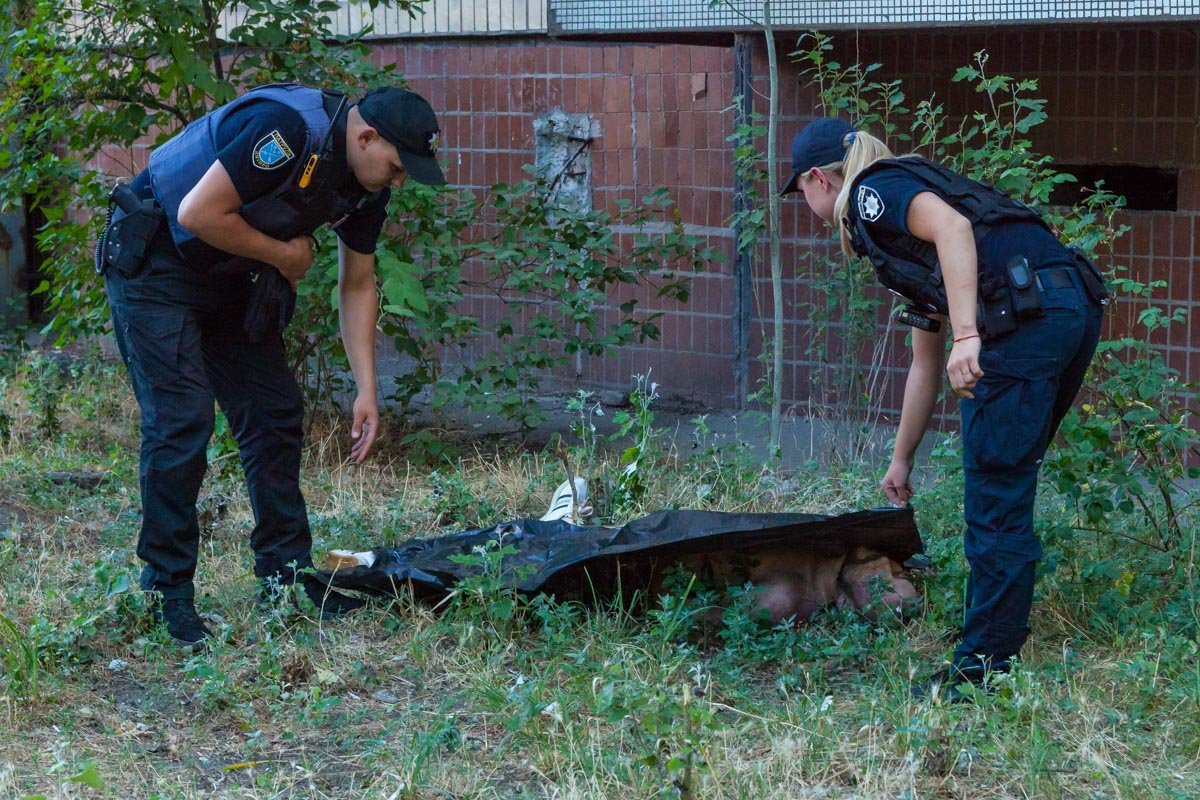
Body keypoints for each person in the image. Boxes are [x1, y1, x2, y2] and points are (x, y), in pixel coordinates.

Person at [99, 83, 446, 651]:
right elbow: (197, 212)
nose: (400, 178)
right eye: (398, 165)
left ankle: (285, 577)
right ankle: (167, 594)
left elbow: (357, 284)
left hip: (228, 273)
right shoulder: (283, 131)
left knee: (274, 411)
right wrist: (286, 255)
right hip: (157, 262)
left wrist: (366, 388)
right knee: (182, 421)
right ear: (367, 136)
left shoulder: (365, 185)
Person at [782, 117, 1106, 702]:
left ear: (817, 180)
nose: (803, 201)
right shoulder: (895, 234)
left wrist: (967, 336)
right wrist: (901, 460)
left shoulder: (873, 193)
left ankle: (983, 668)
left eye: (798, 190)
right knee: (1004, 482)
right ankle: (992, 641)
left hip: (1027, 318)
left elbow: (956, 229)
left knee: (996, 495)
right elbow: (924, 364)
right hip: (1065, 304)